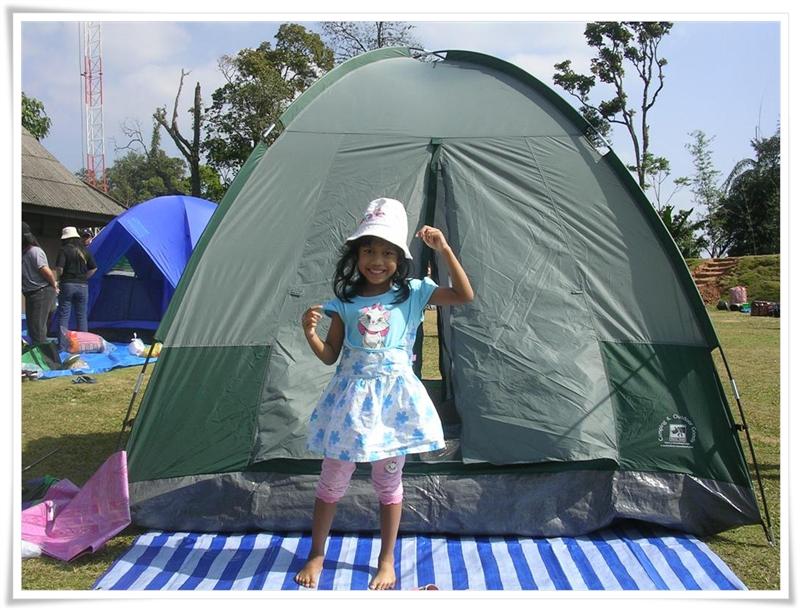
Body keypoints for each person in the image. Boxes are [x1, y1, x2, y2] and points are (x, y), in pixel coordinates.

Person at [294, 197, 474, 590]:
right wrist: (310, 333)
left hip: (394, 409)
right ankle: (317, 553)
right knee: (331, 480)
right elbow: (330, 355)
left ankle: (386, 559)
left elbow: (463, 295)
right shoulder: (345, 301)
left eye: (387, 253)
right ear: (356, 255)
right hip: (349, 407)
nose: (377, 260)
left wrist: (443, 249)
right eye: (369, 251)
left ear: (400, 258)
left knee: (389, 483)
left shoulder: (412, 293)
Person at [54, 226, 97, 350]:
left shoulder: (64, 250)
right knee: (82, 316)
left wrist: (57, 279)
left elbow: (60, 269)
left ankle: (62, 346)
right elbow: (94, 268)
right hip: (83, 285)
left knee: (64, 315)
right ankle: (83, 345)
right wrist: (84, 277)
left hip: (67, 284)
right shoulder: (84, 251)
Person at [22, 223, 58, 345]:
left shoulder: (34, 251)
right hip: (32, 293)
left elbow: (46, 271)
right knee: (33, 327)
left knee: (37, 328)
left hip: (41, 292)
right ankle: (38, 349)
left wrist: (54, 285)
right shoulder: (24, 254)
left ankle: (43, 354)